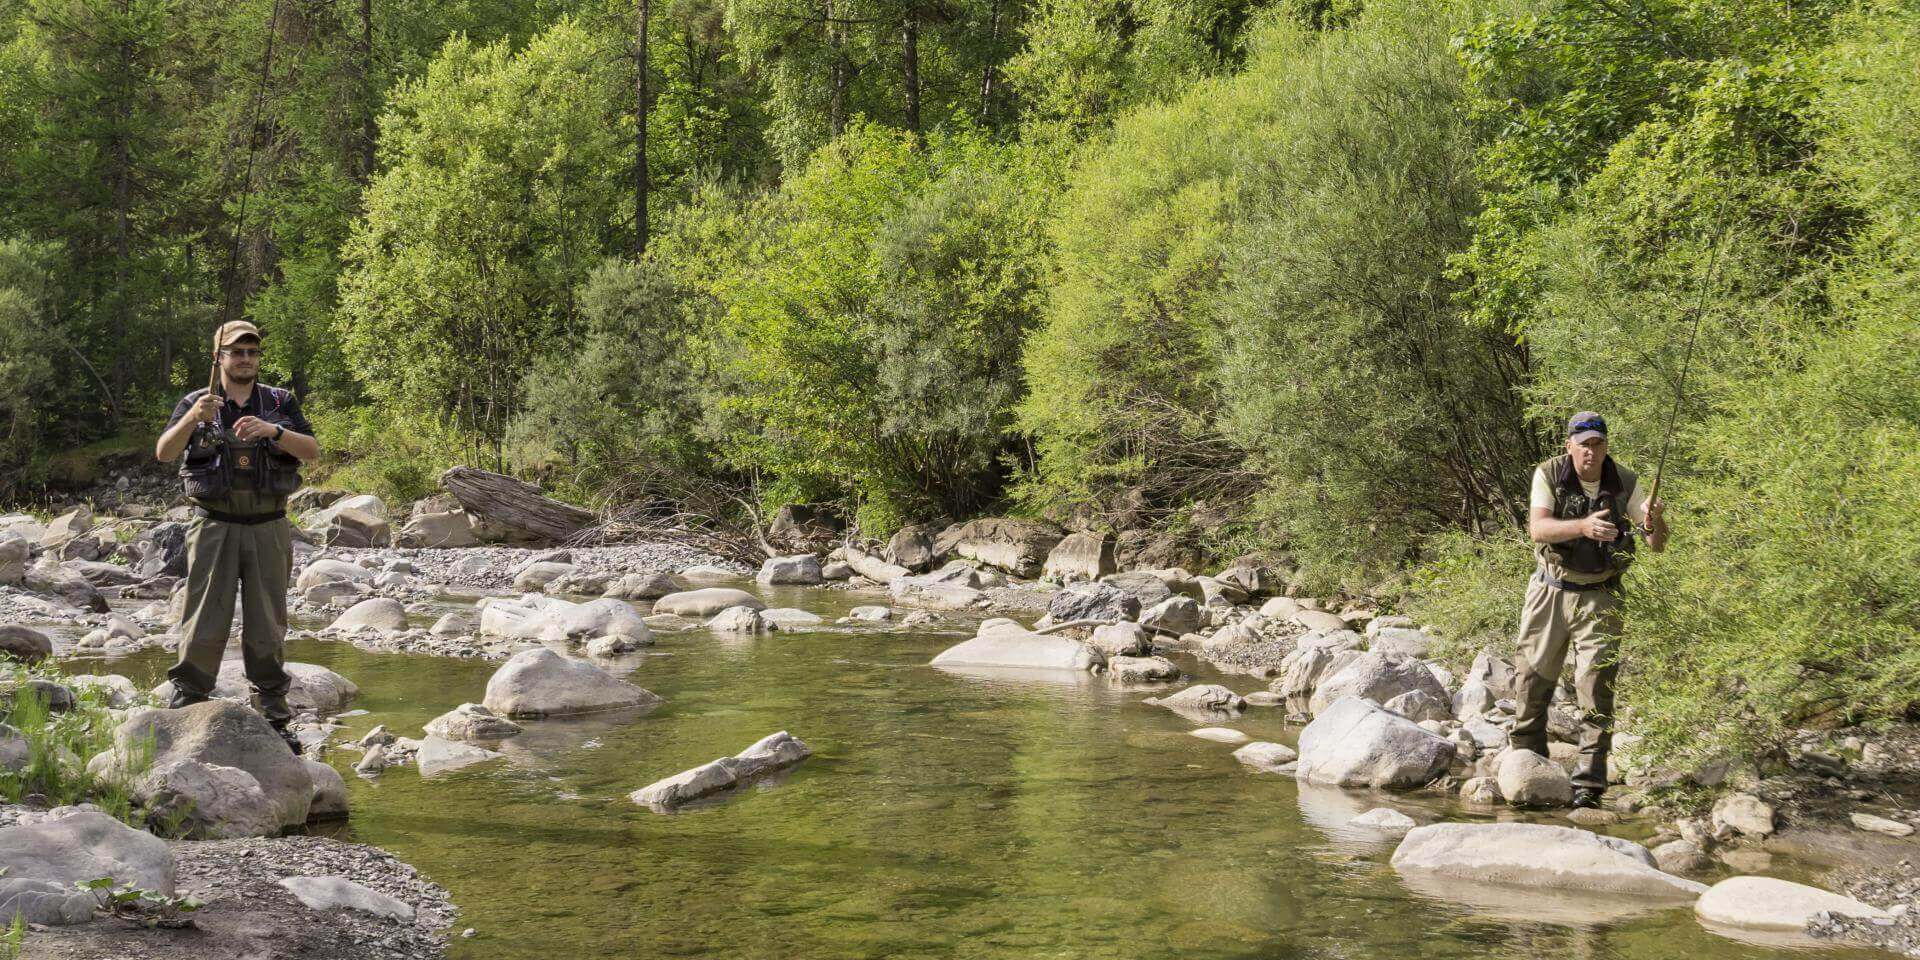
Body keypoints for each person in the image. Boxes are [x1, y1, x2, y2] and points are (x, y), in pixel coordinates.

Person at [153, 321, 319, 751]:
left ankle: (273, 712)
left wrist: (274, 432)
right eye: (236, 351)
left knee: (268, 621)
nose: (245, 358)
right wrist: (194, 418)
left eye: (252, 351)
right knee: (205, 615)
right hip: (213, 524)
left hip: (269, 525)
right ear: (219, 358)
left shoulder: (280, 402)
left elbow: (313, 451)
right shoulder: (196, 401)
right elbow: (165, 452)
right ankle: (189, 702)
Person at [1512, 411, 1667, 809]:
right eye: (1584, 445)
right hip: (1549, 590)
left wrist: (1655, 519)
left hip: (1601, 595)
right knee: (1532, 679)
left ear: (1606, 446)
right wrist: (1582, 527)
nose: (1591, 453)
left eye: (1598, 444)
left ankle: (1589, 785)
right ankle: (1528, 762)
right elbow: (1538, 529)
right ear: (1569, 446)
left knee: (1597, 686)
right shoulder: (1548, 474)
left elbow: (1656, 544)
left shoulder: (1625, 482)